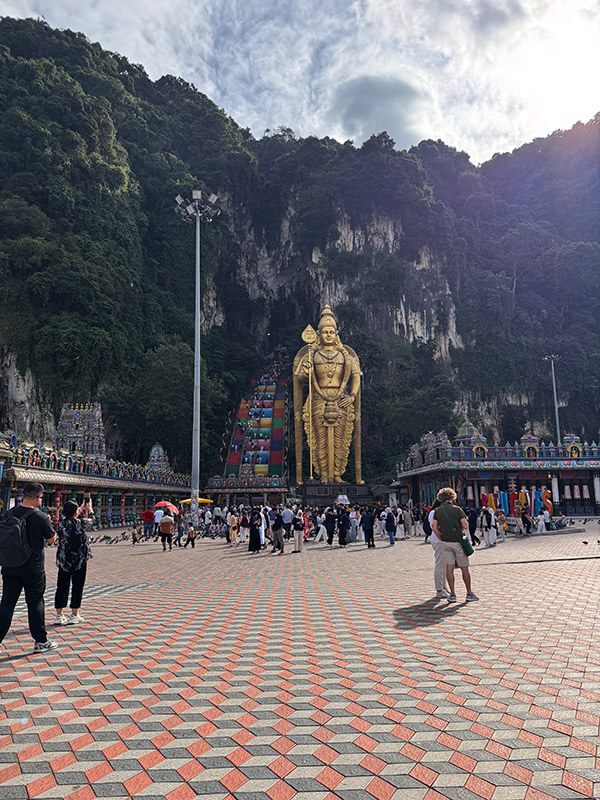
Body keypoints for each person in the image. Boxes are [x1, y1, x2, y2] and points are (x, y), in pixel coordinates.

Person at [0, 482, 58, 653]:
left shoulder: (8, 514)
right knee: (35, 604)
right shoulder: (41, 517)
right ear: (37, 498)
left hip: (10, 566)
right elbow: (51, 539)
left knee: (6, 604)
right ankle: (40, 641)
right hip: (33, 568)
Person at [432, 487, 478, 603]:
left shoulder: (438, 511)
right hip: (458, 542)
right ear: (452, 497)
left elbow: (434, 527)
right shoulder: (457, 509)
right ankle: (469, 593)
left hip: (446, 542)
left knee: (449, 568)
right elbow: (465, 525)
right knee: (464, 568)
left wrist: (441, 537)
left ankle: (452, 594)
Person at [54, 500, 92, 625]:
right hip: (79, 559)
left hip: (64, 559)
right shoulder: (81, 523)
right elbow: (92, 520)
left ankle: (59, 615)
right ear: (76, 512)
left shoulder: (61, 523)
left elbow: (72, 516)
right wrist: (89, 508)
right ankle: (74, 614)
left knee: (62, 586)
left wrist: (79, 508)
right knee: (77, 586)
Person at [428, 500, 448, 599]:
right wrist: (441, 538)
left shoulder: (440, 512)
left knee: (444, 565)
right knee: (440, 565)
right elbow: (434, 527)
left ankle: (443, 586)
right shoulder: (434, 513)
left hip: (442, 540)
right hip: (438, 540)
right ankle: (439, 589)